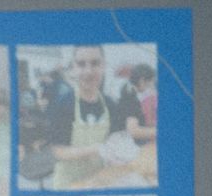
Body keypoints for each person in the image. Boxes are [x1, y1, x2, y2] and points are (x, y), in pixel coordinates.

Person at [44, 45, 149, 187]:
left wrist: (119, 153)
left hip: (98, 181)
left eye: (95, 63)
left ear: (103, 66)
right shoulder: (62, 104)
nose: (88, 71)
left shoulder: (111, 105)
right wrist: (96, 148)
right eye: (81, 64)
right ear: (73, 68)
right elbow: (57, 151)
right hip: (68, 186)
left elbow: (116, 140)